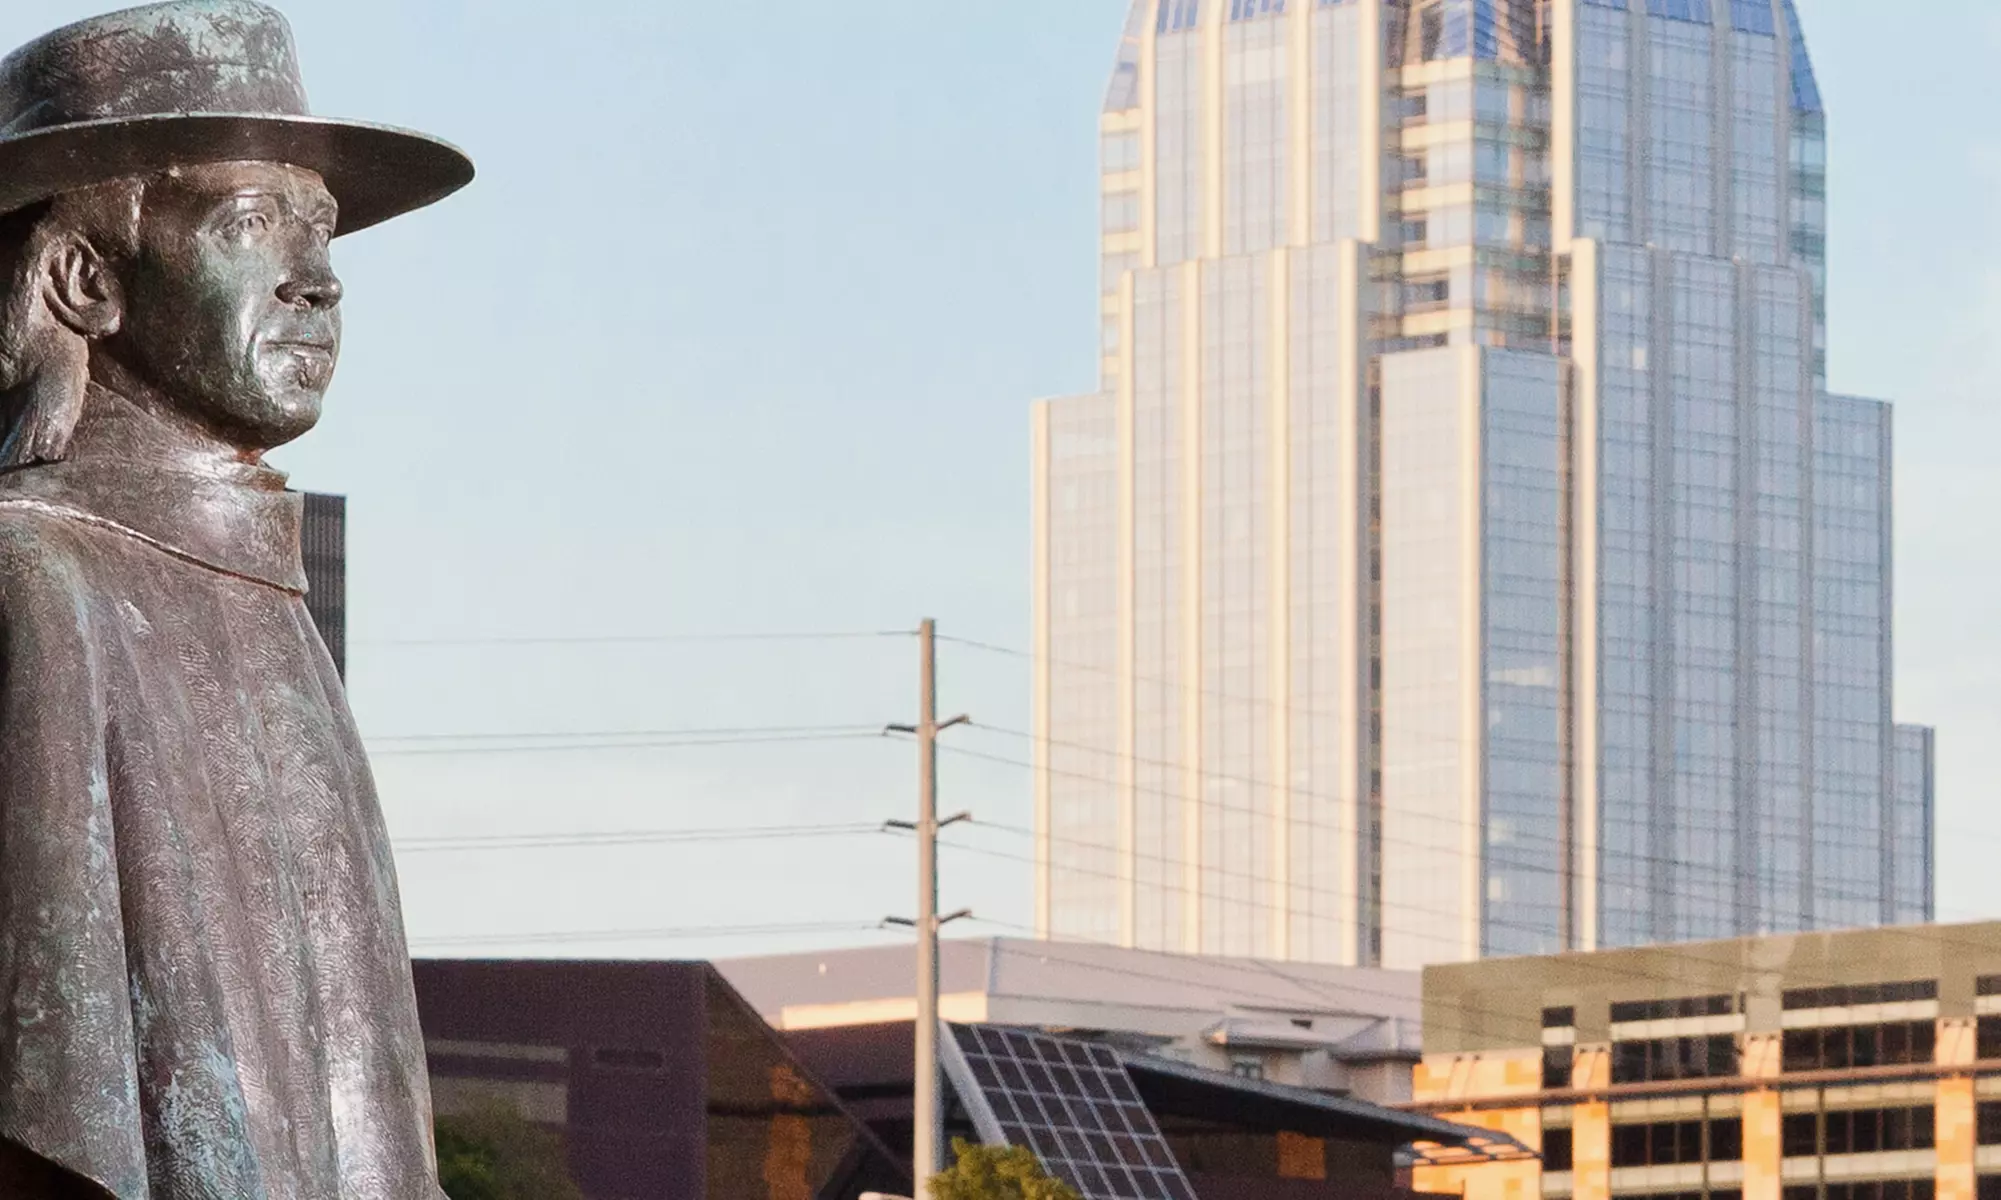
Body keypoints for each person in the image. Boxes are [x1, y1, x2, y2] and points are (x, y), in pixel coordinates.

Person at [0, 3, 473, 1195]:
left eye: (321, 235)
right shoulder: (39, 583)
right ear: (83, 276)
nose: (315, 283)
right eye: (250, 223)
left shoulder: (261, 601)